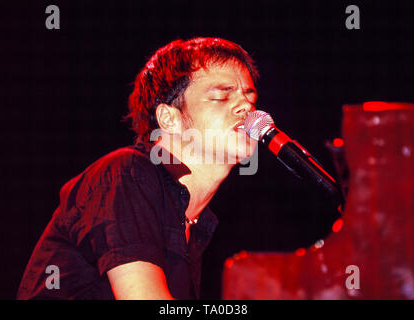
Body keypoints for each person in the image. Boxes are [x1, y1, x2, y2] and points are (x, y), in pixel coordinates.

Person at [17, 37, 259, 300]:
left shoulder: (193, 220)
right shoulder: (126, 173)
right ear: (169, 118)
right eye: (221, 96)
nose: (247, 106)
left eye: (249, 95)